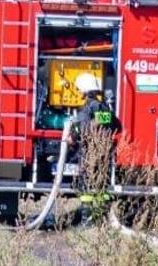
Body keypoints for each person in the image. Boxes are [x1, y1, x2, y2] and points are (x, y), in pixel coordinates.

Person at [64, 72, 121, 219]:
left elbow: (88, 127)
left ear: (84, 90)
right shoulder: (101, 107)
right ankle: (100, 218)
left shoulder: (93, 106)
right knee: (101, 185)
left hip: (91, 151)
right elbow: (111, 124)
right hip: (100, 151)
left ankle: (87, 219)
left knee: (88, 187)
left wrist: (73, 136)